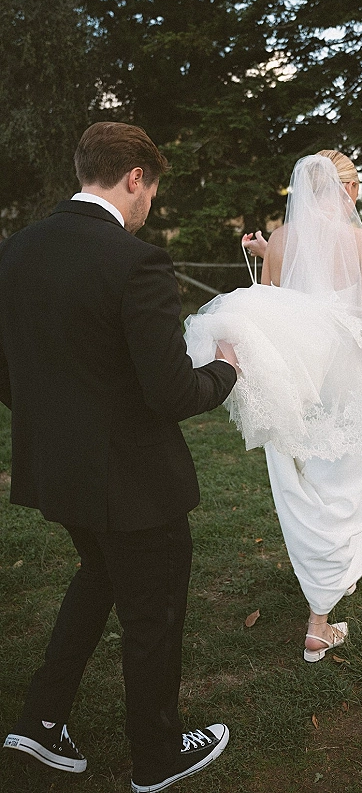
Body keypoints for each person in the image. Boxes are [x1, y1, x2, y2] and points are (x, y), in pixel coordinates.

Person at [0, 122, 238, 792]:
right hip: (135, 481)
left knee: (99, 574)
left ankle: (41, 721)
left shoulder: (13, 251)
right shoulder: (137, 261)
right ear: (136, 177)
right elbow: (170, 392)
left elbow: (7, 368)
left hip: (57, 470)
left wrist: (59, 423)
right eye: (151, 193)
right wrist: (225, 373)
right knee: (153, 612)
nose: (148, 208)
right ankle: (159, 758)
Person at [184, 150, 362, 662]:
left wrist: (269, 254)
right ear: (348, 191)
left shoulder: (283, 240)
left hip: (298, 384)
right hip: (345, 384)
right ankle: (319, 620)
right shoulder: (361, 241)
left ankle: (346, 562)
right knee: (342, 481)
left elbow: (270, 310)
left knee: (302, 483)